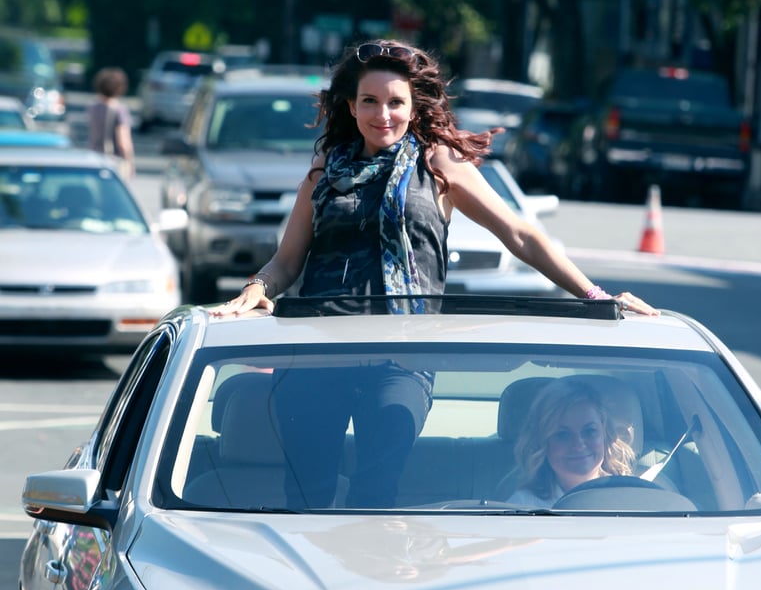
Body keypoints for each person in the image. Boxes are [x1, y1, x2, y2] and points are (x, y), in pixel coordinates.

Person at [214, 39, 656, 508]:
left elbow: (519, 234)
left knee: (376, 493)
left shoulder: (438, 163)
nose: (382, 114)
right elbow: (286, 261)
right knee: (307, 494)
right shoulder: (324, 169)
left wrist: (594, 294)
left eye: (395, 102)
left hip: (400, 356)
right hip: (319, 352)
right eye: (370, 101)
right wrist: (255, 289)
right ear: (351, 105)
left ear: (413, 106)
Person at [508, 380, 636, 506]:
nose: (579, 445)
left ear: (605, 436)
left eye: (589, 431)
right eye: (563, 435)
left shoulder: (634, 497)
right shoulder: (523, 507)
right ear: (542, 444)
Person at [87, 67, 135, 178]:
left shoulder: (93, 107)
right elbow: (123, 141)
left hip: (93, 157)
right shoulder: (119, 110)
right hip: (113, 160)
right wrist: (129, 161)